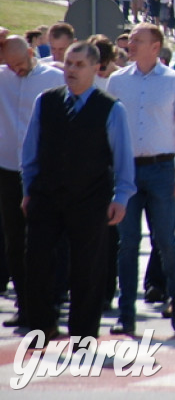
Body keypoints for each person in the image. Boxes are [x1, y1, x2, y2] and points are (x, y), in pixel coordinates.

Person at [21, 41, 135, 343]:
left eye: (79, 65)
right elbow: (31, 150)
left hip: (90, 199)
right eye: (68, 64)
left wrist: (121, 198)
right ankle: (42, 326)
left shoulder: (111, 108)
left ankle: (83, 333)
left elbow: (122, 158)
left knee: (87, 269)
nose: (71, 70)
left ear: (96, 69)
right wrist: (28, 189)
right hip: (46, 195)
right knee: (38, 262)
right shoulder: (46, 101)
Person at [106, 23, 175, 335]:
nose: (130, 43)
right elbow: (108, 127)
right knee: (127, 243)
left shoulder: (174, 81)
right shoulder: (117, 81)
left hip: (161, 168)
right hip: (125, 171)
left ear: (155, 46)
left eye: (137, 40)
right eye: (130, 39)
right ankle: (126, 313)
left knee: (166, 241)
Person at [0, 33, 65, 328]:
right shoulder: (3, 77)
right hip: (9, 169)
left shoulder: (55, 78)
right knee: (14, 241)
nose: (16, 70)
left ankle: (50, 303)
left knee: (44, 241)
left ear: (30, 51)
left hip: (44, 171)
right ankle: (25, 305)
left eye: (19, 63)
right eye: (9, 65)